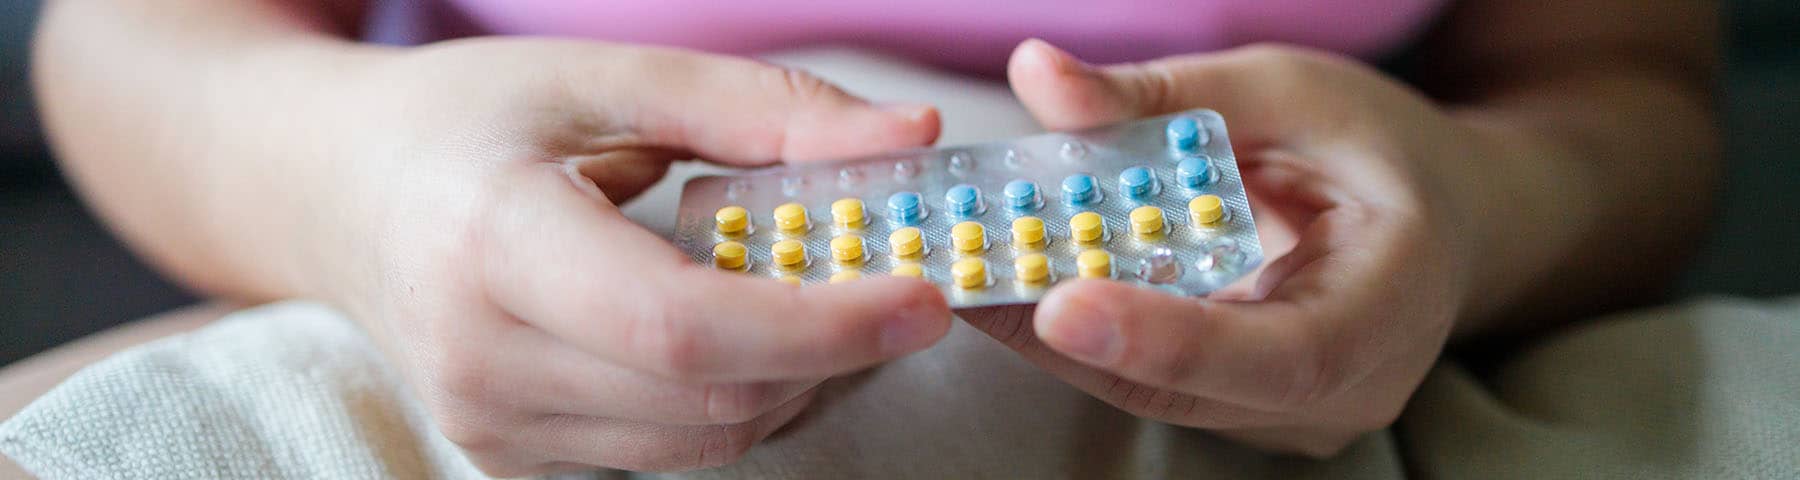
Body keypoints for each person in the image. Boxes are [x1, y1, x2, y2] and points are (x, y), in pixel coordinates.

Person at [4, 0, 1732, 478]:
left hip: (1357, 399)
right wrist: (357, 184)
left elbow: (1624, 88)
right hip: (481, 355)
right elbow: (133, 37)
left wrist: (1477, 205)